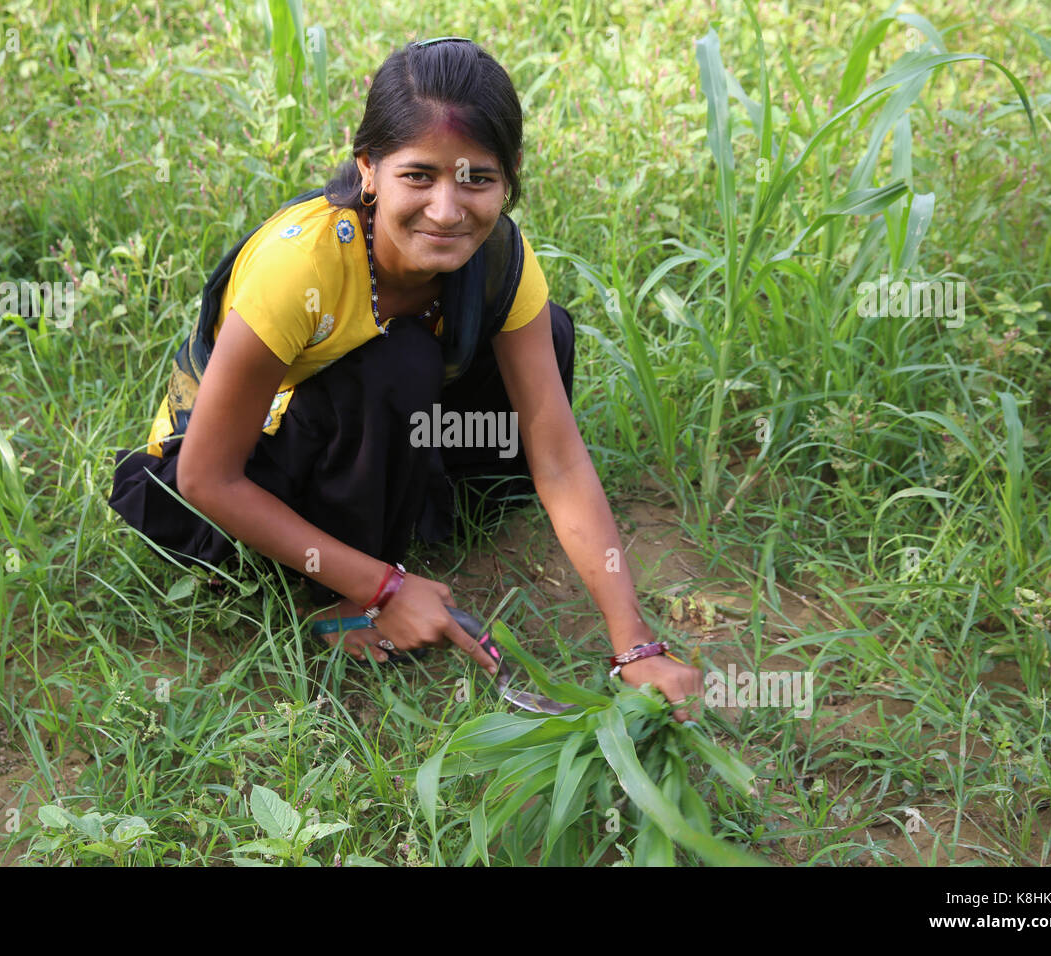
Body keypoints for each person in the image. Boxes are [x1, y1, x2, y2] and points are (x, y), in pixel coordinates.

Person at [108, 37, 701, 721]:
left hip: (352, 436)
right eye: (419, 176)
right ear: (369, 169)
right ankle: (338, 595)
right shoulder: (301, 269)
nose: (448, 209)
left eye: (477, 178)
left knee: (544, 331)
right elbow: (207, 479)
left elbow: (559, 456)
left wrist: (635, 645)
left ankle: (409, 515)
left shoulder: (501, 255)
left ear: (510, 177)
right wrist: (386, 587)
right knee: (399, 362)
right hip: (229, 482)